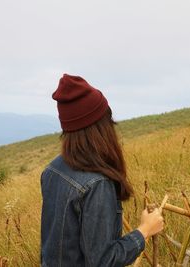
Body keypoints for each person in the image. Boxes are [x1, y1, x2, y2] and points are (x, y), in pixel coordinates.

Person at [40, 74, 164, 266]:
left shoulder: (53, 169)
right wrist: (145, 230)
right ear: (100, 128)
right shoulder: (97, 184)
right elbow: (102, 261)